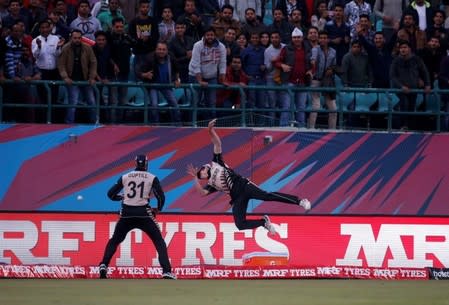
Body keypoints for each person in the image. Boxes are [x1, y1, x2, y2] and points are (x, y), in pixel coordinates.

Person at [186, 119, 311, 236]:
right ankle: (263, 222)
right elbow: (202, 192)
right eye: (200, 176)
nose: (201, 174)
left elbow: (217, 144)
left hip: (244, 186)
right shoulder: (211, 184)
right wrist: (195, 179)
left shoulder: (216, 162)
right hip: (237, 198)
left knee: (267, 196)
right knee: (240, 224)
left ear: (206, 167)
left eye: (200, 172)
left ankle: (300, 201)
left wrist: (210, 131)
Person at [99, 154, 176, 280]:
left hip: (126, 214)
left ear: (135, 163)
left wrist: (122, 197)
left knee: (115, 240)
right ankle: (167, 271)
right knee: (158, 241)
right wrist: (158, 209)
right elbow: (161, 196)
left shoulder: (126, 176)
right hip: (143, 214)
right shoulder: (152, 177)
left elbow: (110, 194)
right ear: (146, 164)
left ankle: (103, 265)